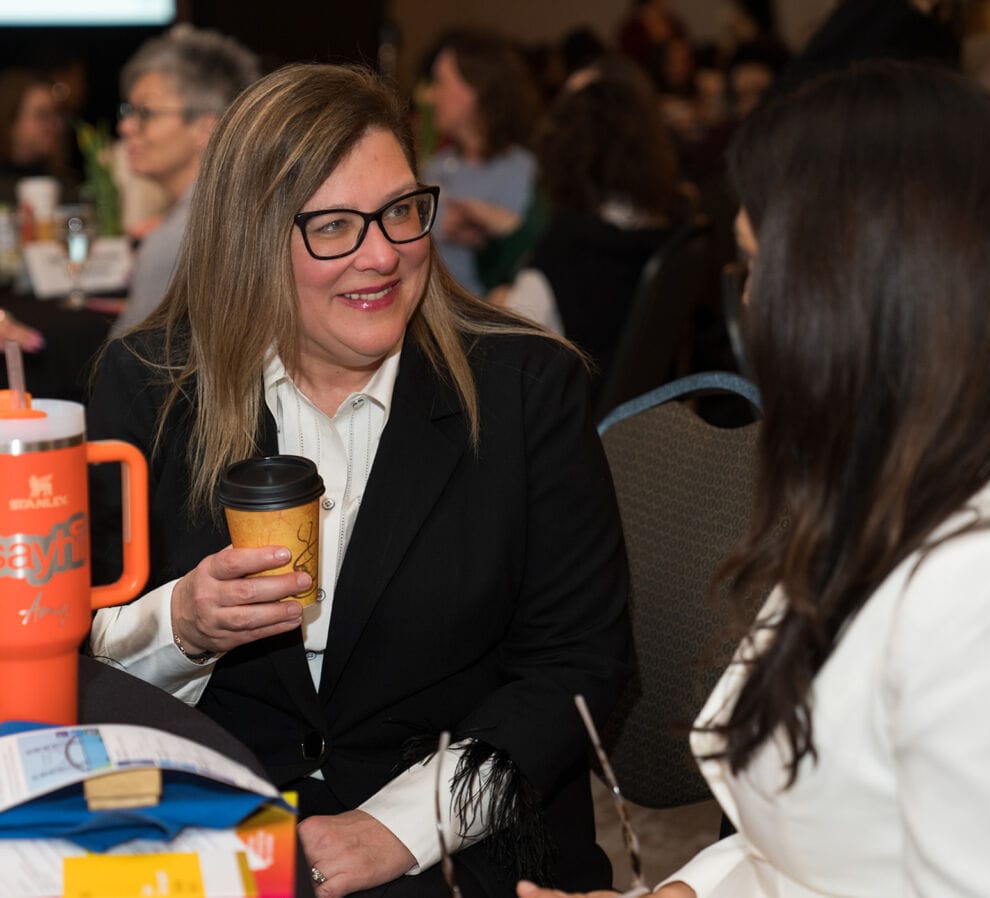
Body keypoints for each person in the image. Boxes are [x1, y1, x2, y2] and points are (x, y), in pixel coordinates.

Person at [87, 62, 630, 898]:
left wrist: (399, 828)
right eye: (335, 226)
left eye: (402, 211)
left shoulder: (524, 389)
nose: (384, 255)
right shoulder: (150, 388)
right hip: (215, 819)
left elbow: (578, 666)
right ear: (248, 239)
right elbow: (72, 654)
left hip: (463, 840)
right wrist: (183, 625)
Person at [518, 60, 990, 898]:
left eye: (758, 270)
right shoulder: (883, 486)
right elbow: (812, 843)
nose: (750, 307)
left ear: (856, 292)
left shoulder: (987, 583)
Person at [496, 56, 684, 389]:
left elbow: (507, 356)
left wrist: (493, 309)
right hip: (650, 404)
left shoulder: (565, 252)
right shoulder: (672, 229)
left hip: (575, 409)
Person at [111, 24, 260, 335]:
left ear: (206, 129)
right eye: (129, 111)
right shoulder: (248, 208)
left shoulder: (182, 235)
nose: (126, 127)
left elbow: (126, 358)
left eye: (145, 113)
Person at [422, 30, 539, 296]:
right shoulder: (437, 165)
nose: (430, 95)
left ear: (474, 90)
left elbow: (531, 267)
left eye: (440, 83)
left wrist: (493, 233)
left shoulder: (524, 173)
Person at [0, 68, 68, 205]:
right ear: (12, 121)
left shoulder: (66, 188)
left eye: (56, 115)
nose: (53, 125)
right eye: (42, 115)